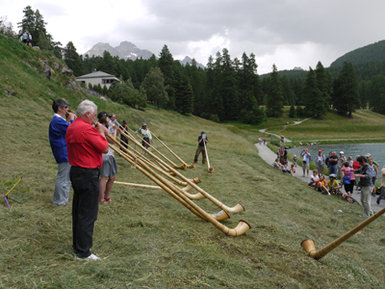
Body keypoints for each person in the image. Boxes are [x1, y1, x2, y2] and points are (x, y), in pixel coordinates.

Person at [65, 100, 109, 260]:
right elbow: (104, 148)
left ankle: (78, 245)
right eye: (95, 115)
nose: (95, 118)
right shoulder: (86, 129)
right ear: (88, 114)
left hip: (76, 171)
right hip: (88, 173)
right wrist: (101, 132)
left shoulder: (72, 127)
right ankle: (83, 252)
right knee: (88, 213)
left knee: (78, 211)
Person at [49, 99, 75, 206]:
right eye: (65, 107)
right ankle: (59, 201)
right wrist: (72, 120)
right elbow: (72, 130)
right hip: (63, 152)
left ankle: (63, 199)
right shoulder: (58, 120)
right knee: (63, 178)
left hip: (65, 151)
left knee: (66, 178)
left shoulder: (59, 121)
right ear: (59, 108)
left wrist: (69, 120)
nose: (67, 109)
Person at [98, 112, 118, 204]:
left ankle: (107, 196)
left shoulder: (105, 127)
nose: (109, 120)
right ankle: (101, 198)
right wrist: (114, 130)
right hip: (105, 155)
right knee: (104, 177)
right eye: (108, 118)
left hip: (110, 154)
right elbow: (113, 141)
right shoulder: (102, 128)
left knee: (112, 177)